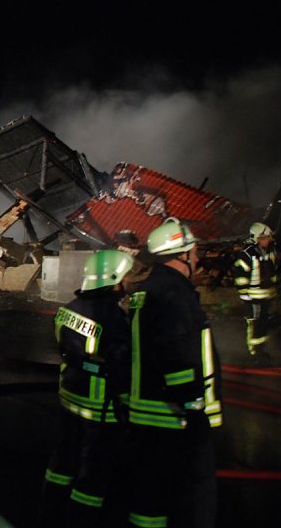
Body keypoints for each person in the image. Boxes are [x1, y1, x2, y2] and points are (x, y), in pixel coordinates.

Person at [126, 217, 222, 528]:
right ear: (181, 254)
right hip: (174, 415)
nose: (198, 258)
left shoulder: (150, 289)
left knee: (151, 493)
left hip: (147, 410)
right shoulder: (174, 293)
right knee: (191, 492)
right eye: (193, 252)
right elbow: (177, 352)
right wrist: (192, 404)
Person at [38, 250, 134, 528]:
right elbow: (122, 363)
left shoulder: (68, 307)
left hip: (70, 395)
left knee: (64, 457)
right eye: (125, 276)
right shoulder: (113, 318)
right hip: (99, 405)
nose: (128, 281)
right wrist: (126, 405)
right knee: (94, 469)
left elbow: (63, 348)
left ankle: (50, 510)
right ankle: (82, 519)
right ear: (113, 278)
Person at [232, 222, 278, 355]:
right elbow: (240, 276)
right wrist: (245, 295)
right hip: (253, 298)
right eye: (264, 237)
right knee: (254, 324)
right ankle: (254, 352)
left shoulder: (269, 252)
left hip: (265, 296)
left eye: (268, 237)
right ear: (257, 238)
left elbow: (272, 273)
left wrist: (273, 291)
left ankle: (261, 349)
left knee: (263, 323)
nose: (267, 240)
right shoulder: (246, 255)